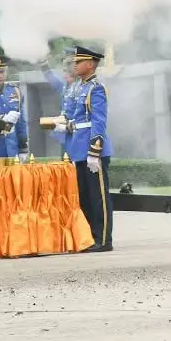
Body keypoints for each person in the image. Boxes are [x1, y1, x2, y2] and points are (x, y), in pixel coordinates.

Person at [64, 45, 113, 251]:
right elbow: (76, 118)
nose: (74, 64)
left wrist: (95, 151)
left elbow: (98, 121)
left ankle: (103, 239)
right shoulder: (79, 87)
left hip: (93, 151)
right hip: (79, 148)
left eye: (79, 61)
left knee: (98, 198)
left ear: (90, 64)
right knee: (84, 197)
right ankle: (90, 237)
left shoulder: (96, 88)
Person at [41, 48, 78, 157]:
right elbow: (51, 78)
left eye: (67, 71)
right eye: (64, 71)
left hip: (78, 134)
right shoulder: (65, 86)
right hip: (66, 134)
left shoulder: (83, 87)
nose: (64, 75)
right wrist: (43, 64)